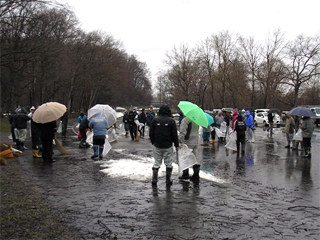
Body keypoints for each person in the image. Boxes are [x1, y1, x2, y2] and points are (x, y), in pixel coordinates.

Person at [149, 105, 179, 186]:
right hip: (168, 145)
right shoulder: (171, 121)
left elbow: (151, 132)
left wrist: (153, 142)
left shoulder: (155, 120)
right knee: (168, 163)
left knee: (157, 162)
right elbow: (174, 134)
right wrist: (176, 145)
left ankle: (154, 179)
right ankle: (168, 180)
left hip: (157, 145)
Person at [179, 116, 200, 182]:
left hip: (188, 141)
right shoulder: (196, 119)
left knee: (185, 157)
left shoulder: (185, 120)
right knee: (195, 157)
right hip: (196, 140)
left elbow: (183, 132)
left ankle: (185, 174)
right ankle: (196, 175)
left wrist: (180, 140)